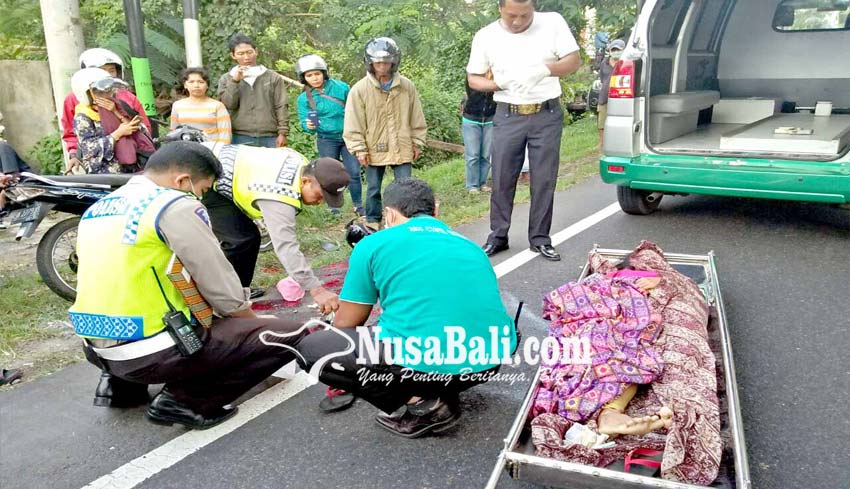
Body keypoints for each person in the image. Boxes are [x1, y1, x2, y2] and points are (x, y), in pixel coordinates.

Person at [69, 141, 304, 429]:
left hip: (96, 347)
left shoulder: (98, 208)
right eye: (201, 190)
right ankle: (186, 401)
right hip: (150, 353)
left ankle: (120, 389)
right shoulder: (173, 205)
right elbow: (220, 286)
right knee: (288, 334)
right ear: (182, 180)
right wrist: (253, 328)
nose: (200, 197)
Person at [296, 178, 517, 438]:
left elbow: (347, 324)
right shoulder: (469, 245)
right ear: (435, 210)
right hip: (489, 361)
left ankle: (426, 404)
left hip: (433, 363)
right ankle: (439, 384)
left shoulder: (373, 244)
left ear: (388, 214)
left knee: (311, 348)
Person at [467, 0, 581, 262]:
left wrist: (545, 69)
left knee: (543, 178)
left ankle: (540, 238)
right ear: (500, 9)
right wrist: (498, 83)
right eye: (511, 16)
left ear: (534, 8)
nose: (517, 21)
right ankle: (498, 235)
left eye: (524, 15)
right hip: (508, 113)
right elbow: (474, 77)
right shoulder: (486, 36)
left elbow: (573, 60)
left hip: (546, 112)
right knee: (502, 178)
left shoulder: (552, 22)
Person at [199, 138, 349, 312]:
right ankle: (225, 303)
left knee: (248, 238)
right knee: (240, 240)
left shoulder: (302, 165)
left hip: (223, 166)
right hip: (205, 173)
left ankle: (236, 294)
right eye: (320, 196)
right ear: (306, 182)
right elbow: (286, 246)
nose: (321, 202)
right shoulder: (279, 195)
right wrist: (316, 289)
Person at [343, 37, 427, 226]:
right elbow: (353, 122)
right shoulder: (359, 90)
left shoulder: (406, 86)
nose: (382, 66)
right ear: (370, 62)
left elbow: (416, 117)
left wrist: (417, 141)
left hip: (402, 144)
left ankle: (406, 218)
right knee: (373, 187)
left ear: (394, 61)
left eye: (386, 61)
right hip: (373, 147)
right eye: (378, 62)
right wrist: (359, 149)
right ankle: (373, 219)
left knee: (406, 185)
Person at [61, 48, 152, 174]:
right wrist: (73, 153)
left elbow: (143, 130)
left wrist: (116, 112)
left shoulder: (125, 99)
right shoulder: (81, 111)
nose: (106, 93)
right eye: (103, 70)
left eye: (112, 70)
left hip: (133, 167)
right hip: (105, 174)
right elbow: (83, 144)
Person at [295, 54, 363, 216]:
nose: (315, 78)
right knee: (328, 175)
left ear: (324, 73)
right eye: (309, 75)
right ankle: (333, 206)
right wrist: (309, 125)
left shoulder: (341, 88)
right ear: (303, 78)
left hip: (348, 136)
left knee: (353, 171)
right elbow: (305, 122)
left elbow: (356, 108)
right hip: (326, 139)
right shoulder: (304, 98)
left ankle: (358, 205)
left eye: (317, 73)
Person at [217, 33, 288, 148]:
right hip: (240, 136)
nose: (246, 57)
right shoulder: (227, 78)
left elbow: (281, 105)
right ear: (233, 55)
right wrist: (235, 81)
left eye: (249, 52)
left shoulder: (272, 77)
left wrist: (283, 133)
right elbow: (228, 105)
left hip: (270, 136)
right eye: (241, 53)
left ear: (256, 51)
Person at [170, 67, 232, 144]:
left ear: (207, 85)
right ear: (185, 85)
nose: (196, 85)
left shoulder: (217, 106)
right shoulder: (177, 105)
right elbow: (173, 133)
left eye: (201, 82)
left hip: (211, 150)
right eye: (191, 82)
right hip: (185, 150)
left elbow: (225, 135)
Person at [461, 79, 496, 193]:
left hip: (490, 118)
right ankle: (472, 185)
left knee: (486, 154)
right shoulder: (473, 76)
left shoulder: (497, 74)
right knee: (473, 154)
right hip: (471, 118)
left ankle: (482, 182)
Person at [596, 39, 624, 147]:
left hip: (620, 95)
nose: (616, 52)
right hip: (604, 94)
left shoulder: (625, 62)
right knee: (602, 120)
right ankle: (601, 142)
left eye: (618, 50)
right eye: (614, 49)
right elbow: (602, 78)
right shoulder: (605, 62)